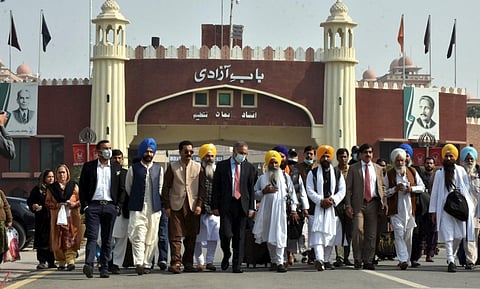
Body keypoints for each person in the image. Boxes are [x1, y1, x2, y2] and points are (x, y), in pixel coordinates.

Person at [79, 140, 126, 278]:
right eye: (105, 148)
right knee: (92, 237)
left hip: (110, 206)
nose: (108, 151)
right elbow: (82, 187)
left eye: (110, 148)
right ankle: (89, 264)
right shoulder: (89, 167)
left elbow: (122, 189)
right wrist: (85, 205)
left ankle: (104, 267)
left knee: (107, 239)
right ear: (98, 152)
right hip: (93, 206)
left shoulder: (116, 168)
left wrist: (118, 206)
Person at [211, 141, 257, 273]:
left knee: (240, 237)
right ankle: (226, 254)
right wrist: (214, 205)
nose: (243, 155)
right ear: (234, 152)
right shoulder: (222, 166)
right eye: (241, 153)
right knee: (226, 234)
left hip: (242, 206)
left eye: (245, 153)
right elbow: (216, 187)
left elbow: (251, 190)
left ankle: (237, 265)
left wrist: (251, 208)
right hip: (226, 205)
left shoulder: (249, 168)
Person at [162, 140, 206, 274]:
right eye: (186, 151)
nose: (189, 154)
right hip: (176, 205)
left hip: (192, 206)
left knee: (191, 236)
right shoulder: (173, 167)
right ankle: (176, 263)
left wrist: (199, 205)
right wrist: (167, 206)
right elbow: (166, 188)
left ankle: (188, 263)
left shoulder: (198, 167)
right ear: (180, 152)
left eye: (191, 152)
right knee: (175, 236)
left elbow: (202, 188)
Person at [429, 144, 475, 273]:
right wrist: (433, 211)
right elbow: (435, 193)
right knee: (448, 234)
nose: (448, 158)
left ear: (455, 157)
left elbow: (466, 189)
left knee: (460, 235)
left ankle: (452, 256)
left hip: (459, 208)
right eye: (446, 156)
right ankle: (450, 260)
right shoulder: (439, 173)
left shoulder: (461, 171)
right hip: (444, 208)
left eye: (451, 156)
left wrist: (468, 207)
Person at [253, 150, 298, 273]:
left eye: (276, 163)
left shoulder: (285, 177)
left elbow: (292, 194)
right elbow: (254, 194)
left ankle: (280, 262)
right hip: (266, 211)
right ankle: (273, 260)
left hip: (281, 211)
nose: (274, 165)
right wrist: (264, 192)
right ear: (268, 164)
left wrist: (293, 210)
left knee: (280, 235)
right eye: (272, 163)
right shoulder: (262, 178)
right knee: (269, 235)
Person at [345, 143, 386, 270]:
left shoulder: (378, 168)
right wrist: (348, 205)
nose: (368, 155)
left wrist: (384, 201)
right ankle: (358, 259)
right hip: (359, 204)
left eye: (370, 152)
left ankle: (368, 260)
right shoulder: (353, 168)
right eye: (365, 152)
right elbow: (348, 189)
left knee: (371, 234)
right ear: (360, 155)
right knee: (358, 230)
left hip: (373, 204)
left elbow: (382, 186)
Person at [127, 138, 163, 275]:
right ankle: (139, 262)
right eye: (146, 151)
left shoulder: (159, 169)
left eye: (151, 151)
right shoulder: (133, 169)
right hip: (138, 208)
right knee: (138, 235)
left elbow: (160, 188)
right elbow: (128, 187)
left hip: (154, 209)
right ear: (142, 152)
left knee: (152, 237)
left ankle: (147, 263)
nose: (149, 154)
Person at [306, 145, 345, 271]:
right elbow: (309, 190)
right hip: (317, 208)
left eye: (328, 156)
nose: (326, 158)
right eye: (323, 156)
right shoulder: (312, 173)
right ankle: (319, 259)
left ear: (331, 158)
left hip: (332, 209)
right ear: (319, 158)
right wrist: (320, 201)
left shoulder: (337, 173)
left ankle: (326, 260)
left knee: (330, 235)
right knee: (317, 234)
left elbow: (342, 190)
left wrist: (333, 200)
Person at [384, 148, 425, 270]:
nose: (400, 163)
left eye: (402, 161)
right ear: (394, 161)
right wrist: (394, 189)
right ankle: (402, 259)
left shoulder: (412, 171)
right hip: (396, 211)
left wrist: (411, 189)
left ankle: (406, 259)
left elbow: (422, 187)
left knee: (408, 236)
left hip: (410, 210)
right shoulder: (390, 174)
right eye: (397, 161)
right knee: (398, 234)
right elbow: (384, 191)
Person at [45, 164, 81, 271]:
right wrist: (57, 205)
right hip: (57, 218)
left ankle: (70, 261)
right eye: (59, 172)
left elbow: (80, 199)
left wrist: (74, 204)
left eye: (63, 172)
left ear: (67, 173)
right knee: (58, 239)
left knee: (71, 238)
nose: (62, 175)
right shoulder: (51, 188)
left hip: (71, 217)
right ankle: (61, 261)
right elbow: (47, 202)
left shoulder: (73, 186)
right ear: (56, 174)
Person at [281, 146, 309, 267]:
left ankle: (290, 253)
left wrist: (304, 207)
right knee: (280, 232)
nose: (281, 159)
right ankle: (281, 257)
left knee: (292, 231)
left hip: (293, 207)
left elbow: (301, 190)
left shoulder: (295, 172)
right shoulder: (270, 172)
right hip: (278, 208)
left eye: (283, 156)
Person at [194, 143, 220, 271]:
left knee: (213, 236)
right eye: (207, 156)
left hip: (214, 209)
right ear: (202, 157)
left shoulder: (218, 171)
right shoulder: (197, 170)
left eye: (211, 156)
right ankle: (200, 262)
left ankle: (210, 261)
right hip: (198, 208)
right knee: (197, 237)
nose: (210, 158)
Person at [27, 169, 56, 269]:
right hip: (41, 219)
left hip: (53, 217)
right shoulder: (37, 189)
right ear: (44, 178)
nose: (51, 179)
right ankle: (42, 261)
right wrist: (34, 206)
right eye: (49, 177)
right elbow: (30, 201)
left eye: (52, 177)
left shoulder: (55, 189)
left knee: (52, 239)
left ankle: (52, 261)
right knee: (42, 239)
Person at [294, 145, 316, 263]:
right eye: (307, 154)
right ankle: (303, 252)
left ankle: (312, 255)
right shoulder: (297, 168)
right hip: (301, 203)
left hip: (315, 203)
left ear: (314, 155)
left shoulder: (318, 168)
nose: (309, 156)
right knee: (301, 229)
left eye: (311, 154)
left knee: (313, 229)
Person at [460, 146, 480, 270]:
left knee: (476, 236)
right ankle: (470, 260)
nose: (469, 161)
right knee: (469, 236)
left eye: (471, 158)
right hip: (466, 212)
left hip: (478, 211)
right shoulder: (460, 174)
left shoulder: (479, 174)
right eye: (467, 159)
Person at [110, 149, 129, 274]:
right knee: (105, 238)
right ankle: (106, 260)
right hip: (108, 209)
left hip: (123, 211)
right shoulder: (105, 172)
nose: (117, 160)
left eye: (119, 158)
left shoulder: (127, 173)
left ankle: (116, 263)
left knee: (121, 238)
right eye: (114, 158)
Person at [334, 148, 353, 267]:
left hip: (350, 204)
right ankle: (339, 257)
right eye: (341, 157)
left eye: (345, 156)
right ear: (337, 158)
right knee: (338, 231)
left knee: (349, 232)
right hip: (338, 205)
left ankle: (346, 256)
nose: (343, 159)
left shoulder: (353, 170)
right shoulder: (334, 171)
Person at [0, 190, 12, 263]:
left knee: (1, 245)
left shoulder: (0, 193)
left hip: (1, 222)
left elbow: (6, 206)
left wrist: (9, 219)